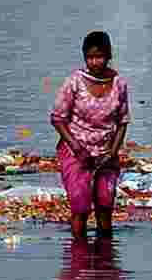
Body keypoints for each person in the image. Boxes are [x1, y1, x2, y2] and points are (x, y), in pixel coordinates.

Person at [51, 30, 130, 241]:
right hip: (76, 151)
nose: (95, 62)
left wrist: (112, 152)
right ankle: (78, 260)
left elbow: (122, 122)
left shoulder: (118, 83)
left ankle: (106, 260)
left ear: (109, 55)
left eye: (100, 56)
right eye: (90, 57)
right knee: (80, 205)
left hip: (105, 152)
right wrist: (77, 148)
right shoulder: (74, 82)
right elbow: (58, 118)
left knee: (105, 203)